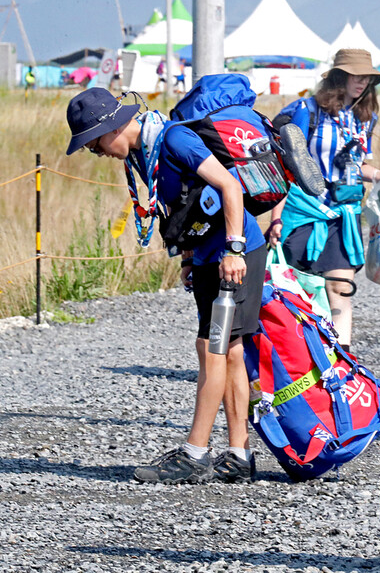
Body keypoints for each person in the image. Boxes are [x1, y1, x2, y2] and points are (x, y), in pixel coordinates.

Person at [64, 87, 267, 484]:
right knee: (230, 350)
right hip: (211, 256)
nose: (97, 152)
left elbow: (229, 186)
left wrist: (234, 250)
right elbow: (183, 203)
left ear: (115, 125)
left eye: (95, 142)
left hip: (235, 253)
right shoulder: (144, 151)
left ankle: (194, 454)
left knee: (213, 347)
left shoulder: (173, 139)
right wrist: (191, 259)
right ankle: (240, 455)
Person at [269, 49, 380, 354]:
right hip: (303, 211)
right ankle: (299, 355)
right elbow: (284, 166)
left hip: (344, 214)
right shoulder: (307, 111)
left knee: (340, 287)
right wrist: (275, 218)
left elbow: (357, 165)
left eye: (367, 77)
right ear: (339, 76)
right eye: (356, 75)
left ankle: (341, 355)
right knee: (298, 288)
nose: (362, 82)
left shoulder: (365, 117)